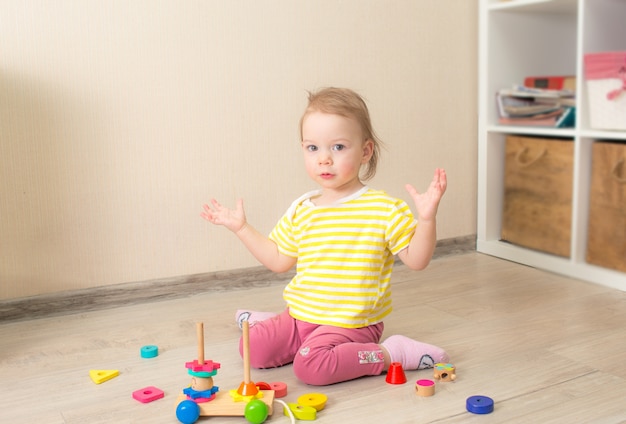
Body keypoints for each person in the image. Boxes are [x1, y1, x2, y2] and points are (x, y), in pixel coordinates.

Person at [201, 87, 449, 386]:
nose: (324, 159)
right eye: (312, 148)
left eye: (339, 147)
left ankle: (389, 353)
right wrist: (241, 228)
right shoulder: (302, 208)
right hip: (301, 315)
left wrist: (426, 219)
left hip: (352, 324)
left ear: (365, 152)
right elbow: (279, 261)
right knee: (250, 348)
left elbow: (417, 260)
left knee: (311, 367)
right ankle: (272, 323)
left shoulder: (383, 208)